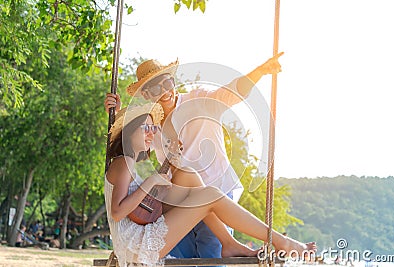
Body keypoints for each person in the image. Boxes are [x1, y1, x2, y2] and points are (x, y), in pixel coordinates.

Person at [104, 54, 309, 265]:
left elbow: (232, 93)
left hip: (215, 188)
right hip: (178, 201)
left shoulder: (199, 101)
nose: (164, 91)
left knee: (211, 255)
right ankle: (238, 242)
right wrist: (118, 115)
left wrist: (260, 71)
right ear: (146, 94)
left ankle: (234, 242)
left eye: (167, 82)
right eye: (155, 88)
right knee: (180, 258)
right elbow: (129, 139)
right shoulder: (152, 126)